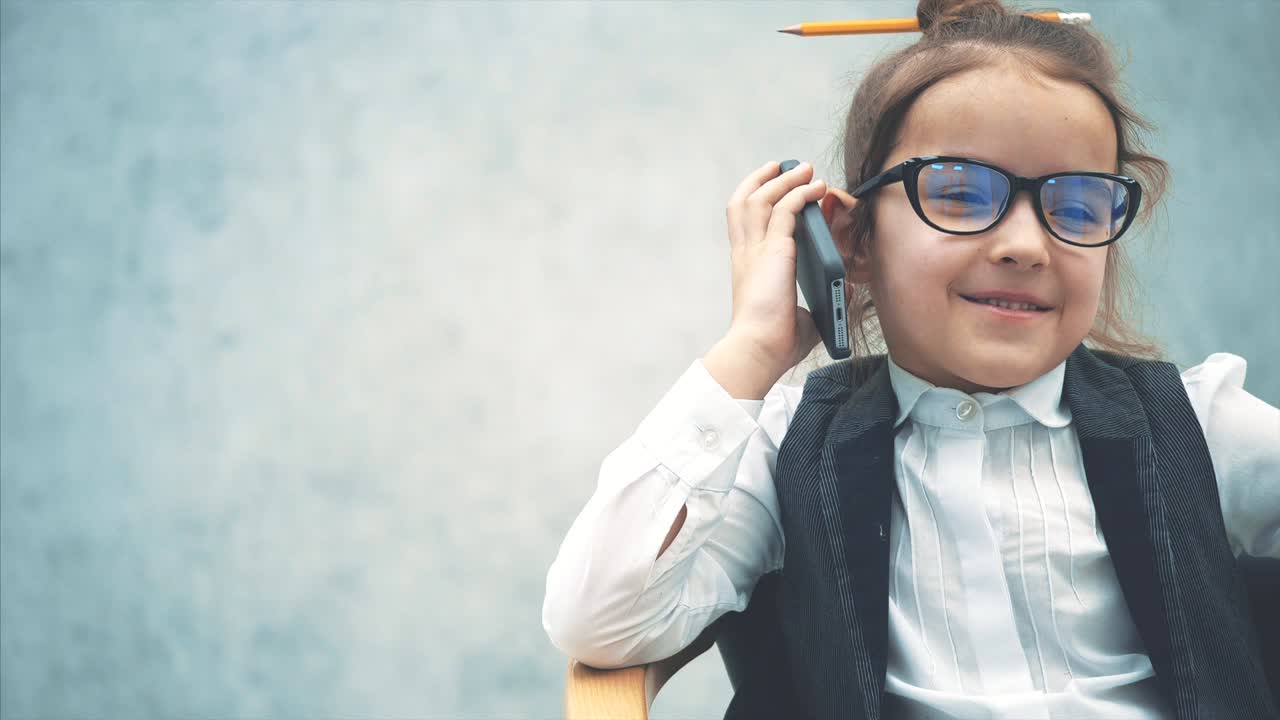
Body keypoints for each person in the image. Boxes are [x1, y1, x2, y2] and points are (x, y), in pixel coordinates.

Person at [542, 0, 1279, 717]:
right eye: (959, 193)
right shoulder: (784, 447)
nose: (1026, 244)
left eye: (1078, 207)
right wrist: (752, 348)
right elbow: (599, 617)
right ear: (853, 241)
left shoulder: (1197, 423)